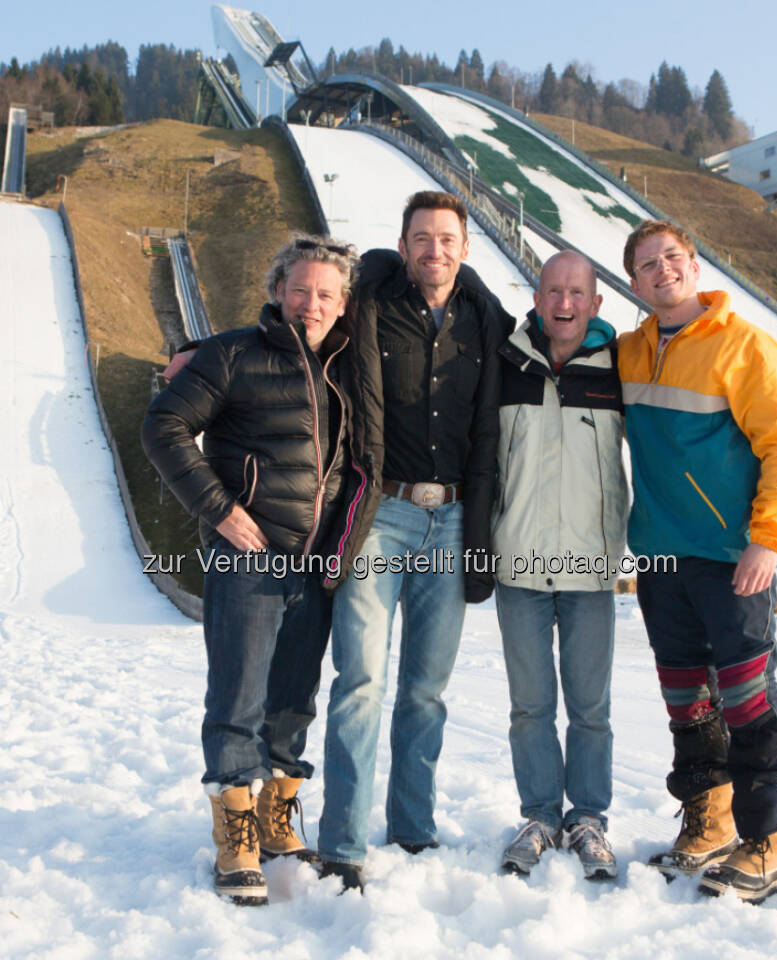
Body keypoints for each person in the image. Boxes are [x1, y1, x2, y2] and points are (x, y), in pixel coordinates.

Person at [141, 234, 356, 906]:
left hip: (317, 560)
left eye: (326, 294)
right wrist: (221, 511)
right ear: (277, 291)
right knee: (238, 698)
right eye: (300, 290)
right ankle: (235, 839)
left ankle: (278, 820)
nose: (310, 304)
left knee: (294, 698)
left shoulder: (348, 367)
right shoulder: (233, 354)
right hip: (250, 559)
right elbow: (165, 425)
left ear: (344, 303)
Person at [315, 191, 514, 892]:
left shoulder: (483, 320)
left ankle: (412, 827)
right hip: (381, 516)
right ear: (402, 246)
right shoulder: (371, 302)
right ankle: (341, 840)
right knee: (361, 681)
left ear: (465, 248)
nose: (435, 250)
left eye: (448, 239)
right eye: (422, 238)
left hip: (453, 521)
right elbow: (302, 308)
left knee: (426, 690)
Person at [616, 220, 777, 904]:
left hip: (733, 555)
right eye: (647, 264)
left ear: (694, 266)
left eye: (672, 257)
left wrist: (769, 537)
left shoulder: (744, 345)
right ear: (635, 284)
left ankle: (767, 842)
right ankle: (711, 820)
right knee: (686, 698)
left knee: (748, 698)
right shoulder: (630, 353)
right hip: (662, 556)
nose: (662, 269)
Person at [492, 251, 628, 881]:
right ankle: (541, 814)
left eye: (577, 293)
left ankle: (589, 818)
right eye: (553, 291)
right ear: (538, 297)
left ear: (596, 303)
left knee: (590, 705)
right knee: (529, 705)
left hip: (589, 569)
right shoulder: (509, 362)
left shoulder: (619, 370)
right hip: (518, 564)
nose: (565, 303)